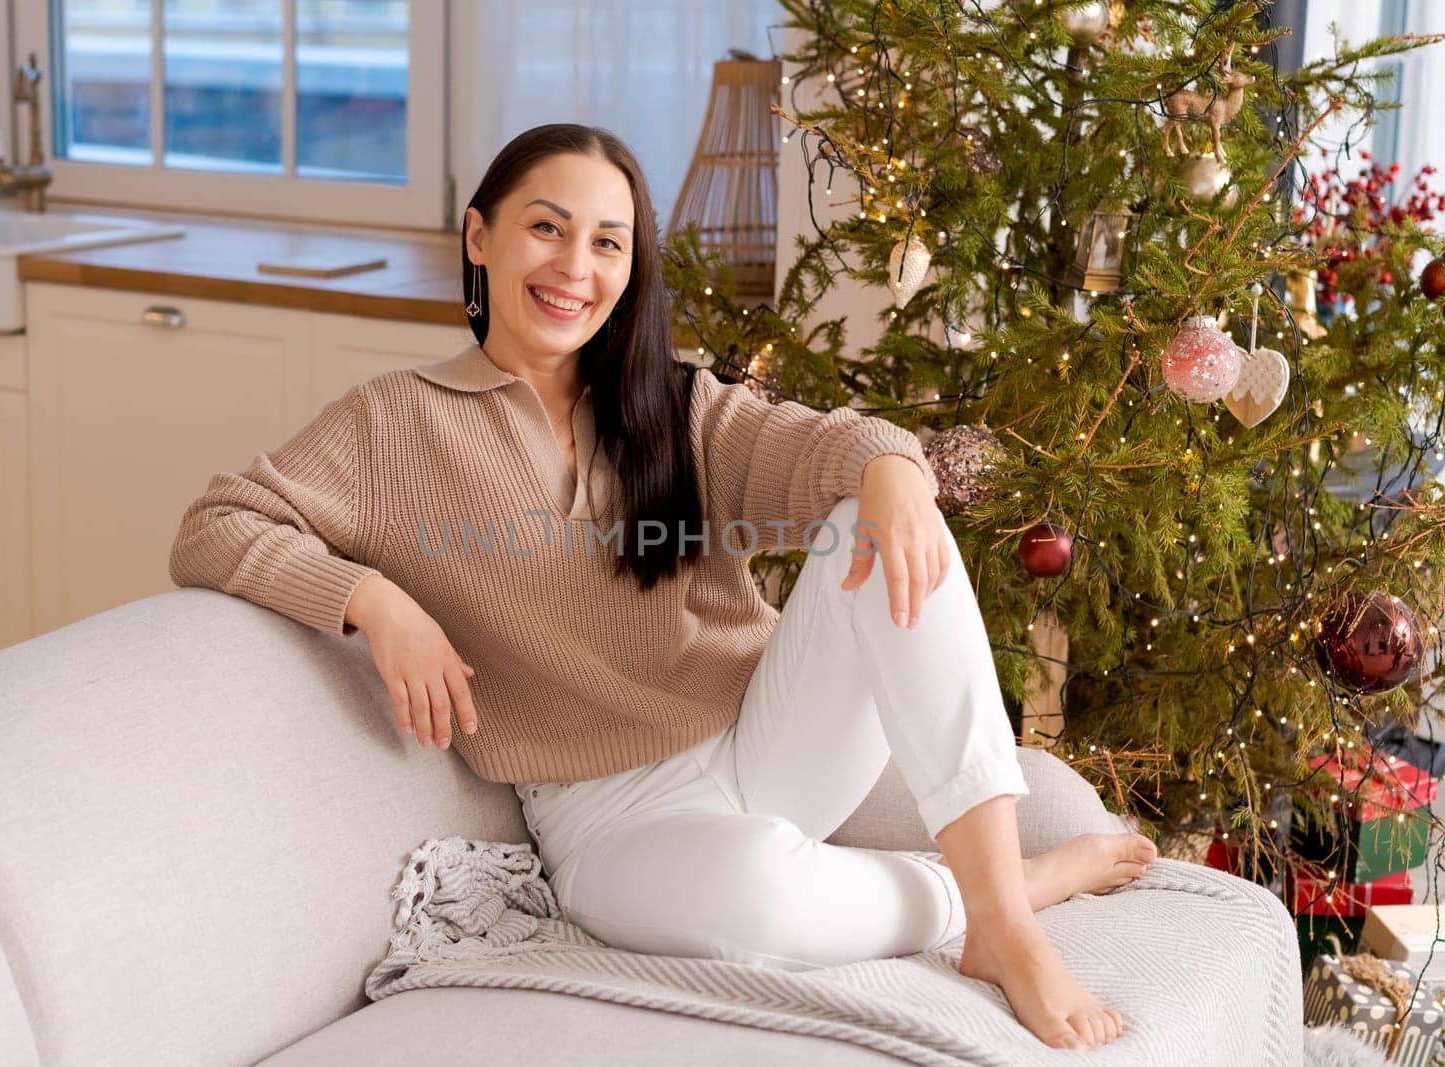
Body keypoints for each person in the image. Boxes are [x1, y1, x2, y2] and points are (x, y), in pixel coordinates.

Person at [169, 122, 1158, 1052]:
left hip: (769, 738)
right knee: (754, 904)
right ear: (479, 236)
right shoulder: (392, 424)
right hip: (611, 820)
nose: (573, 267)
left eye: (607, 242)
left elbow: (841, 448)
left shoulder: (673, 404)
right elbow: (217, 523)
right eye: (545, 229)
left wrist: (897, 472)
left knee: (883, 508)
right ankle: (1006, 889)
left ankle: (1001, 923)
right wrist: (374, 602)